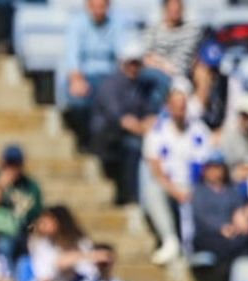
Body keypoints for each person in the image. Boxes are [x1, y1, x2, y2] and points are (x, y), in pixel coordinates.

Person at [139, 84, 212, 264]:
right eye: (176, 104)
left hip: (196, 185)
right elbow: (155, 168)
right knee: (152, 189)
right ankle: (170, 239)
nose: (180, 109)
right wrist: (175, 190)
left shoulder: (199, 130)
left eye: (183, 104)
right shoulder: (157, 132)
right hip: (169, 185)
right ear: (168, 106)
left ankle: (197, 246)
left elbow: (208, 164)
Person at [90, 41, 153, 205]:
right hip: (108, 137)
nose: (134, 67)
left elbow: (147, 114)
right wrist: (144, 128)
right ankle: (130, 196)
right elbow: (121, 119)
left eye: (137, 63)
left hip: (126, 134)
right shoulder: (111, 85)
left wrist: (148, 124)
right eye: (131, 63)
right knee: (133, 147)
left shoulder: (139, 86)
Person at [61, 0, 126, 144]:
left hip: (109, 77)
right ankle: (85, 141)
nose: (98, 11)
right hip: (85, 76)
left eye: (102, 7)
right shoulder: (77, 24)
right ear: (88, 7)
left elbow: (122, 55)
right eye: (94, 7)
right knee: (79, 99)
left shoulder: (116, 24)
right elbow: (73, 56)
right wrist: (77, 79)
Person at [0, 145, 42, 248]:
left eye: (16, 164)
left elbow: (36, 216)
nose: (12, 168)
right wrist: (0, 187)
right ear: (2, 163)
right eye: (9, 164)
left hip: (23, 233)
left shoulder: (30, 186)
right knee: (4, 245)